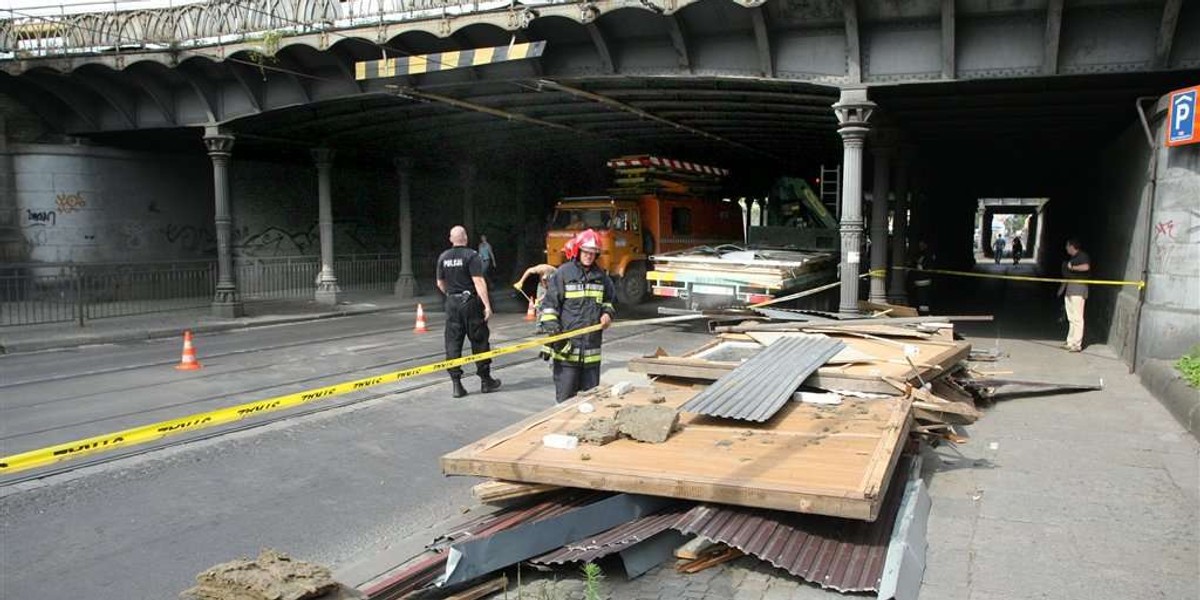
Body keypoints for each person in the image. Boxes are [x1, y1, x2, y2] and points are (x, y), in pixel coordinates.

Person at [538, 229, 616, 403]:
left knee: (590, 401)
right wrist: (553, 329)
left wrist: (607, 313)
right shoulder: (563, 274)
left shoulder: (601, 277)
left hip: (591, 352)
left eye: (593, 253)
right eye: (586, 252)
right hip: (567, 350)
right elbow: (550, 305)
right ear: (578, 250)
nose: (589, 256)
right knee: (565, 400)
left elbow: (609, 301)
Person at [436, 225, 502, 398]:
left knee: (453, 343)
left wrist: (451, 295)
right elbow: (479, 281)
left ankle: (457, 385)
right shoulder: (471, 255)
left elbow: (440, 283)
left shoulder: (443, 257)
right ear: (465, 238)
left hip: (452, 303)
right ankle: (486, 381)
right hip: (470, 303)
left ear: (451, 239)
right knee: (479, 340)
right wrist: (487, 305)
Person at [1056, 238, 1090, 352]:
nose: (1066, 248)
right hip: (1070, 289)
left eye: (1067, 246)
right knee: (1071, 317)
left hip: (1078, 289)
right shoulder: (1073, 258)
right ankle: (1070, 341)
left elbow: (1086, 267)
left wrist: (1073, 267)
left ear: (1072, 246)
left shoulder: (1082, 256)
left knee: (1078, 318)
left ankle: (1077, 344)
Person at [911, 240, 936, 315]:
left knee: (923, 297)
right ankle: (923, 312)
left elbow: (928, 266)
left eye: (922, 244)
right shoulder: (921, 254)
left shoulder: (927, 255)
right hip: (920, 279)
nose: (920, 246)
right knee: (921, 297)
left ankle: (924, 313)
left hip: (924, 279)